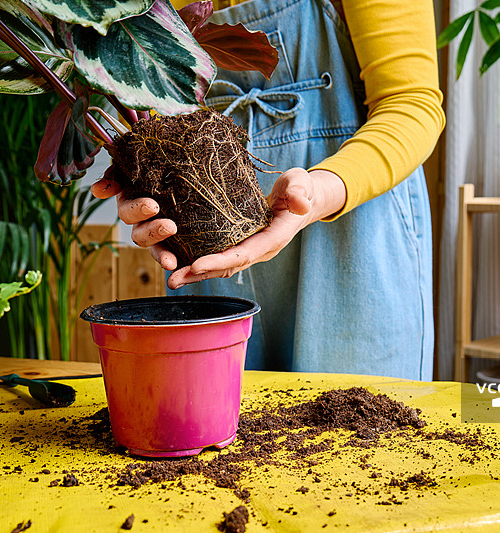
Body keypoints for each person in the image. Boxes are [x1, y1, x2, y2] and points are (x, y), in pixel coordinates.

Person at [91, 0, 445, 380]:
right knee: (216, 427)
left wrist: (315, 194)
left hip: (353, 248)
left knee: (356, 425)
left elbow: (411, 102)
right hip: (209, 261)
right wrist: (142, 178)